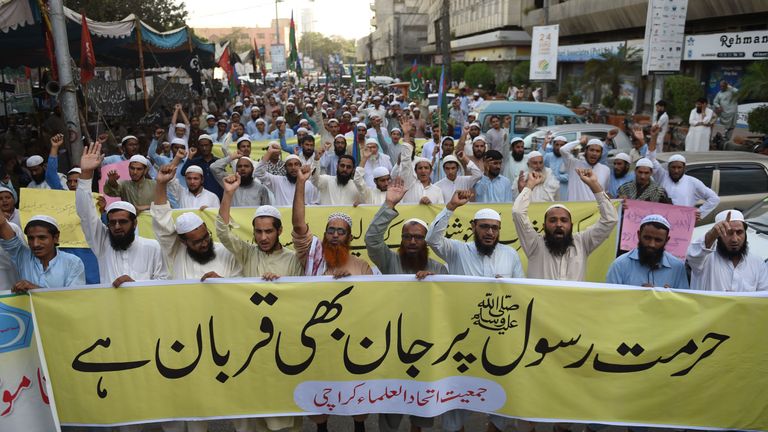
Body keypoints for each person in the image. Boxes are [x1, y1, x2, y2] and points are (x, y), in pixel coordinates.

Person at [426, 189, 524, 432]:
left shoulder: (510, 254)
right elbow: (432, 239)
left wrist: (509, 286)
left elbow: (522, 292)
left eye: (494, 228)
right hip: (462, 337)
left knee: (502, 394)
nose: (489, 232)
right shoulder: (457, 250)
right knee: (457, 392)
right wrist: (450, 207)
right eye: (484, 227)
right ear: (473, 227)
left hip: (499, 337)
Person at [365, 177, 445, 432]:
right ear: (401, 240)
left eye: (418, 237)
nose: (412, 241)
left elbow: (449, 298)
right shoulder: (389, 261)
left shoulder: (438, 269)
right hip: (392, 342)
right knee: (391, 402)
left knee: (422, 404)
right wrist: (389, 204)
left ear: (425, 242)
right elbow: (372, 240)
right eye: (408, 237)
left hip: (426, 343)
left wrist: (437, 282)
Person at [76, 142, 167, 287]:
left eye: (123, 222)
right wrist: (86, 174)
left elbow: (163, 281)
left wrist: (134, 285)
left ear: (135, 223)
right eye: (112, 222)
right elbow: (86, 214)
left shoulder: (152, 247)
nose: (117, 226)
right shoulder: (103, 243)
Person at [512, 168, 618, 281]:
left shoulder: (582, 242)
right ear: (543, 226)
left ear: (571, 225)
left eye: (564, 220)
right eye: (552, 220)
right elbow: (518, 212)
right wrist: (529, 186)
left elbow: (610, 219)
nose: (558, 224)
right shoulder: (534, 244)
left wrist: (594, 185)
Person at [216, 174, 304, 280]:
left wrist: (280, 283)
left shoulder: (293, 259)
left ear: (279, 231)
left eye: (268, 231)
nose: (263, 238)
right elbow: (223, 233)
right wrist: (228, 193)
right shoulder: (247, 253)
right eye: (258, 231)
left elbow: (298, 290)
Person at [646, 126, 719, 221]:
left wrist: (700, 213)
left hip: (682, 223)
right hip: (661, 221)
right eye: (673, 167)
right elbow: (650, 159)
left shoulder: (693, 182)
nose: (676, 170)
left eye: (679, 167)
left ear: (684, 168)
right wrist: (654, 137)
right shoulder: (662, 176)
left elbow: (714, 199)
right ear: (668, 168)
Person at [686, 210, 768, 291]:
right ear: (718, 235)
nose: (735, 239)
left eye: (739, 232)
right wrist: (711, 234)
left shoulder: (757, 263)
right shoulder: (705, 259)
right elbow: (692, 255)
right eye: (729, 233)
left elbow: (762, 297)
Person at [0, 213, 84, 291]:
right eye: (31, 238)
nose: (35, 244)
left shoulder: (73, 262)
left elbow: (74, 298)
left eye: (42, 238)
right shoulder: (22, 256)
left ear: (55, 238)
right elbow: (3, 225)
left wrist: (34, 288)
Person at [606, 214, 688, 289]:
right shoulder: (620, 265)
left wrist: (671, 297)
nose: (652, 244)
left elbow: (684, 302)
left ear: (667, 240)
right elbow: (610, 300)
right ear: (638, 235)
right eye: (647, 238)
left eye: (658, 240)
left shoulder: (678, 267)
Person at [559, 134, 612, 201]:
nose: (594, 153)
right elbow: (563, 149)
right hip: (577, 209)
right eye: (592, 150)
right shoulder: (573, 164)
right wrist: (579, 141)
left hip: (597, 209)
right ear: (586, 151)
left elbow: (605, 192)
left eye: (597, 151)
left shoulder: (606, 170)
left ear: (601, 154)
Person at [542, 134, 569, 201]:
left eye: (561, 145)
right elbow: (541, 168)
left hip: (563, 190)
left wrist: (555, 177)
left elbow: (570, 176)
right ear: (553, 145)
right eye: (557, 145)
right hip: (549, 190)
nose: (558, 147)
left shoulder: (569, 158)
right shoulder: (548, 156)